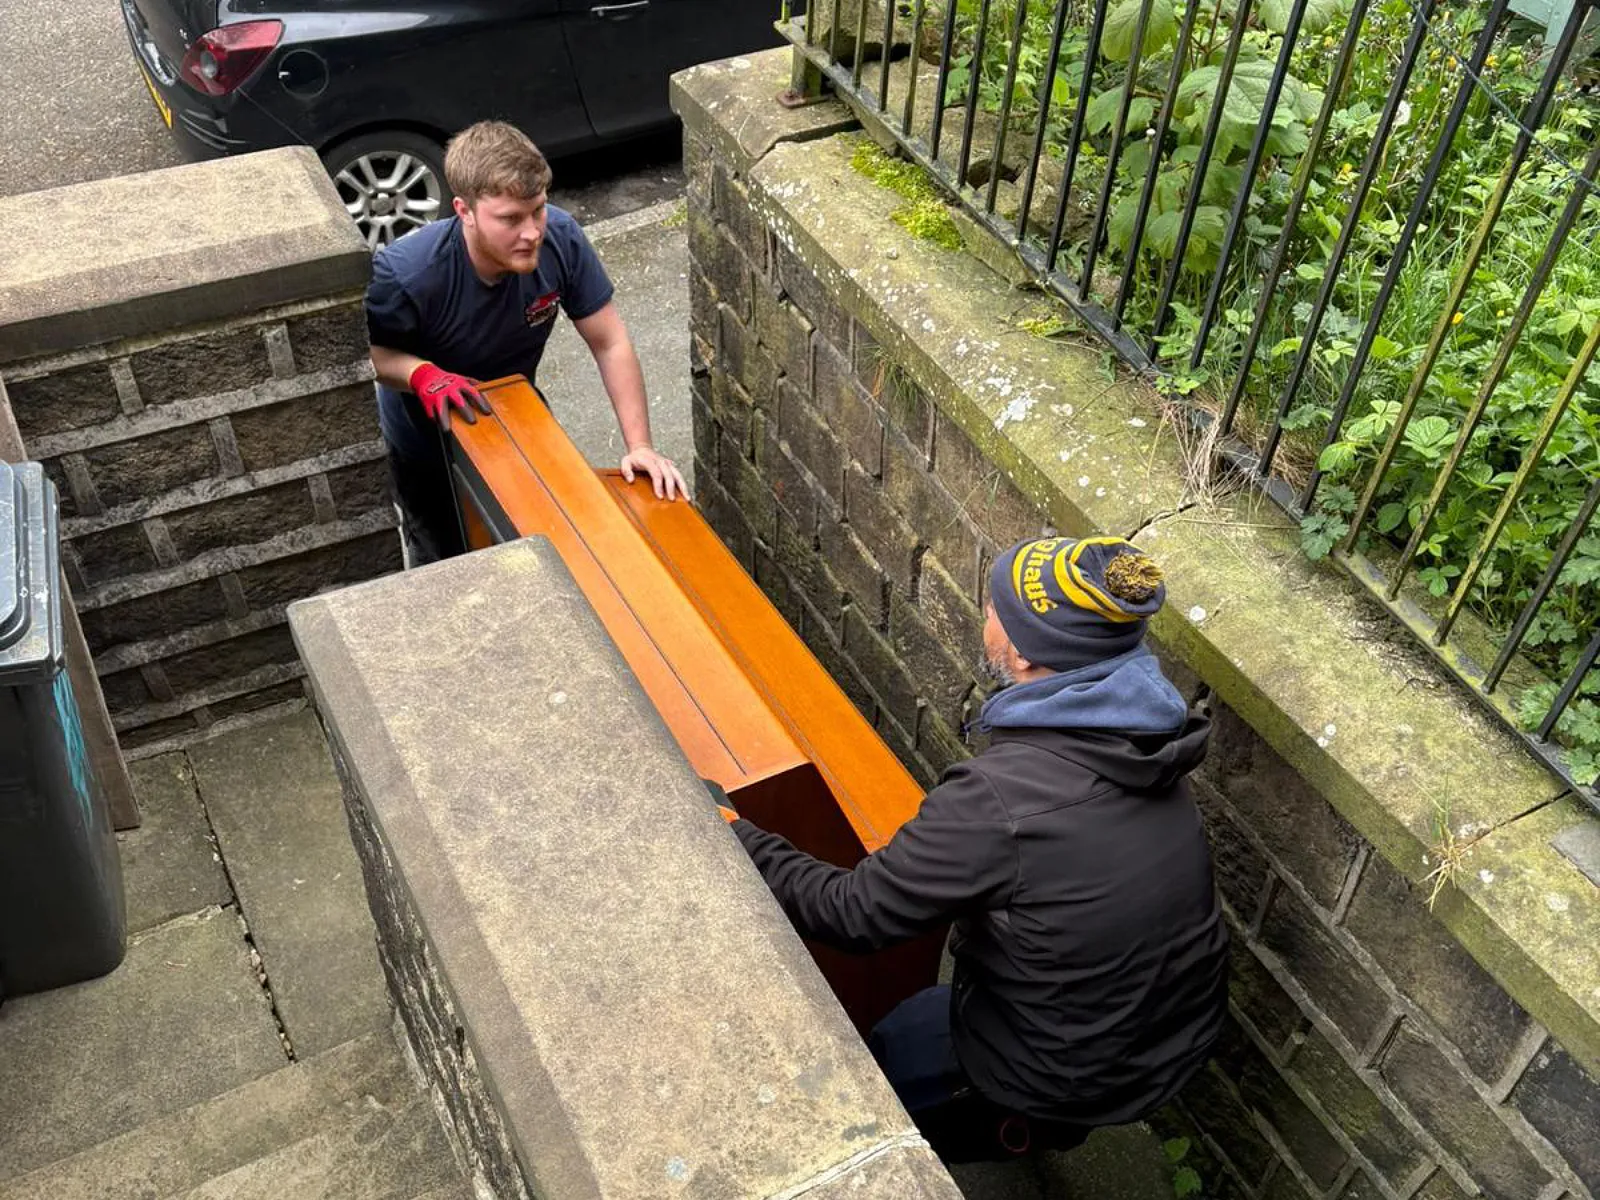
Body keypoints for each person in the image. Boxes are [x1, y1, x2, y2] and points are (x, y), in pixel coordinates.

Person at [721, 535, 1229, 1162]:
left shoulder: (998, 801)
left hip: (1057, 1076)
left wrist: (733, 831)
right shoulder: (1150, 735)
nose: (984, 615)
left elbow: (853, 911)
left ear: (1021, 652)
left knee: (868, 1076)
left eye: (994, 609)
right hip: (1168, 1035)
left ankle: (961, 1137)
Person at [364, 120, 687, 564]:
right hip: (426, 444)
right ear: (464, 211)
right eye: (511, 219)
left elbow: (609, 341)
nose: (532, 231)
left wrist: (641, 447)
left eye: (538, 210)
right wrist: (421, 374)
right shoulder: (407, 275)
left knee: (547, 547)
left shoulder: (561, 239)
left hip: (517, 415)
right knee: (448, 560)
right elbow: (369, 357)